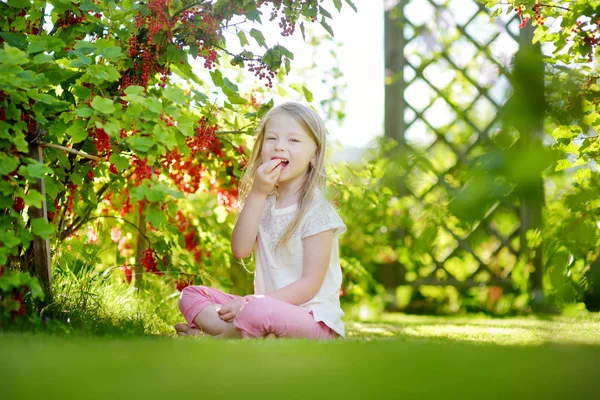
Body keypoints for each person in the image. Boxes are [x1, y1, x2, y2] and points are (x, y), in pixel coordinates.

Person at [175, 102, 346, 339]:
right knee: (190, 295)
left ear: (314, 156)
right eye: (272, 138)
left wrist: (248, 303)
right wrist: (257, 193)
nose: (280, 147)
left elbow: (309, 285)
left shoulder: (317, 212)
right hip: (261, 309)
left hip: (312, 321)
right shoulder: (263, 202)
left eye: (293, 141)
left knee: (256, 311)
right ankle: (249, 334)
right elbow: (240, 250)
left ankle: (221, 338)